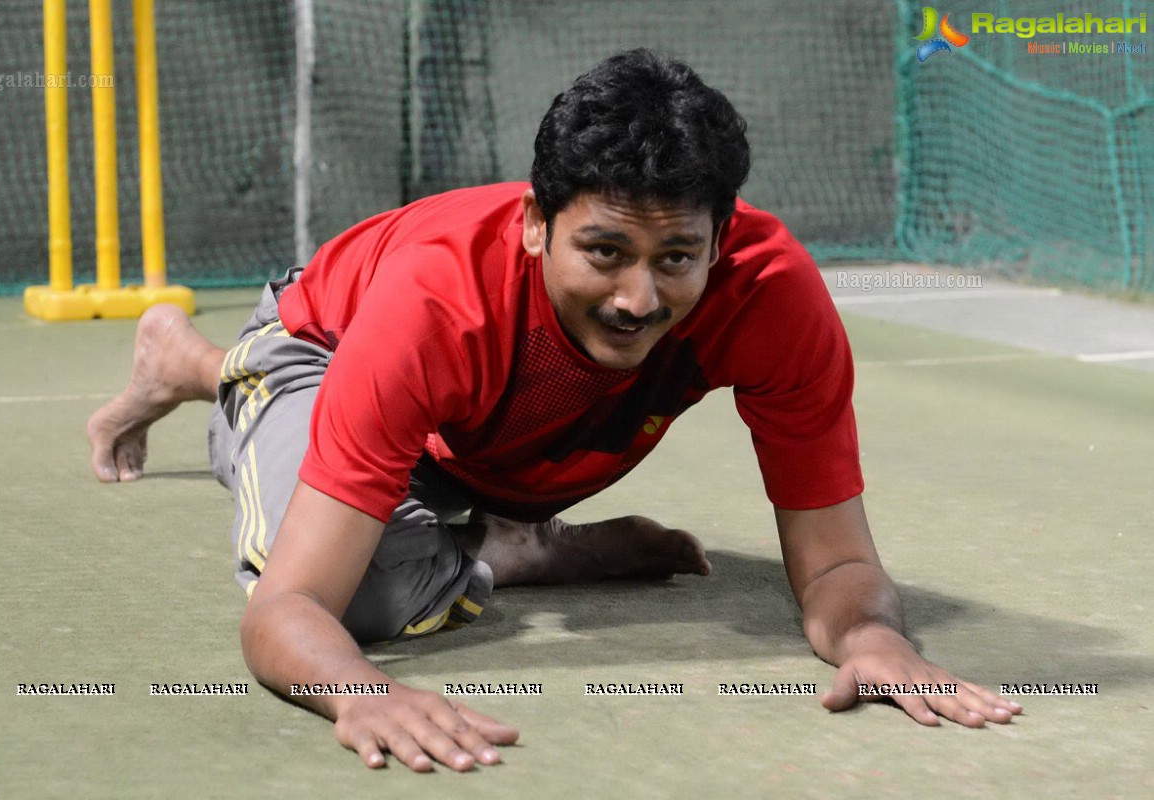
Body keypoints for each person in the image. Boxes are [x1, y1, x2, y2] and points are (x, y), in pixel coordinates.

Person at [88, 49, 1021, 773]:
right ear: (537, 222)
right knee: (361, 600)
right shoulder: (436, 303)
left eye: (675, 259)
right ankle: (215, 368)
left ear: (720, 240)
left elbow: (842, 564)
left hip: (476, 433)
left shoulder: (771, 296)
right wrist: (358, 695)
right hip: (326, 349)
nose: (637, 297)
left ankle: (514, 539)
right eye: (605, 251)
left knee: (458, 477)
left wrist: (875, 639)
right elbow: (288, 610)